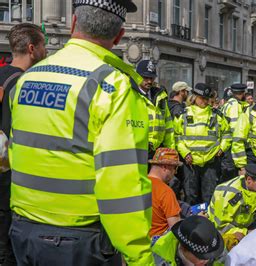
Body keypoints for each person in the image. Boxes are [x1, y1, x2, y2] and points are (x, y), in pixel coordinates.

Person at [8, 1, 155, 265]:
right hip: (77, 242)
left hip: (23, 231)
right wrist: (139, 257)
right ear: (119, 36)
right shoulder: (112, 86)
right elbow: (122, 184)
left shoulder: (28, 78)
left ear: (74, 22)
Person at [0, 22, 46, 266]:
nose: (45, 52)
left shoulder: (1, 75)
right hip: (10, 182)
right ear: (32, 49)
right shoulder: (25, 84)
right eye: (43, 46)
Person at [174, 83, 231, 205]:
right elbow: (176, 136)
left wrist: (222, 148)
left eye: (207, 99)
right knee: (190, 196)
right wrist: (185, 153)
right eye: (202, 98)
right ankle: (191, 222)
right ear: (194, 97)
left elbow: (227, 133)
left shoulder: (216, 115)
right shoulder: (183, 114)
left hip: (210, 162)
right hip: (190, 164)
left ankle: (207, 222)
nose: (204, 101)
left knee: (209, 197)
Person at [208, 164, 256, 250]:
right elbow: (222, 227)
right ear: (249, 180)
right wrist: (248, 233)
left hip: (246, 226)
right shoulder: (228, 195)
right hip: (221, 234)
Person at [136, 59, 174, 158]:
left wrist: (171, 150)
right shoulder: (131, 94)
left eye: (152, 78)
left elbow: (168, 126)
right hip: (137, 150)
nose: (149, 81)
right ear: (137, 76)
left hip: (157, 151)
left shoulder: (160, 97)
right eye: (145, 77)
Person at [152, 215, 224, 266]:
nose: (205, 261)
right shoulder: (158, 258)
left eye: (210, 256)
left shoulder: (213, 242)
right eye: (200, 257)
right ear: (183, 248)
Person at [148, 148, 182, 245]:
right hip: (158, 246)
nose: (175, 172)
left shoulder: (138, 184)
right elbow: (176, 229)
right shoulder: (165, 191)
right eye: (175, 168)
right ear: (165, 167)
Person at [221, 83, 250, 182]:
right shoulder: (235, 106)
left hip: (228, 147)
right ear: (242, 94)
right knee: (232, 178)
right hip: (232, 149)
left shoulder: (228, 104)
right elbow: (235, 131)